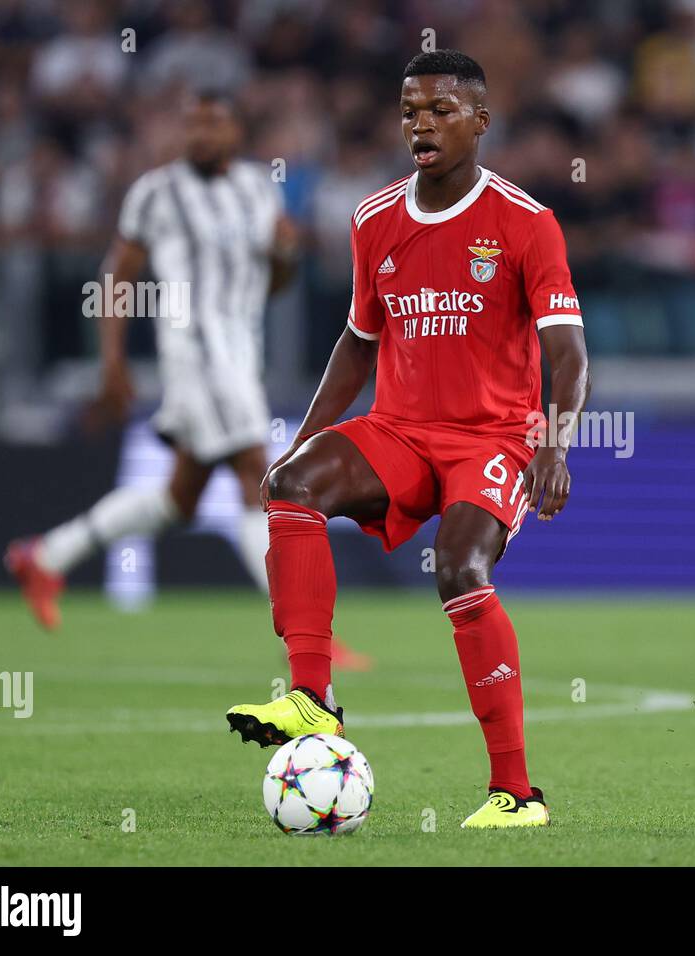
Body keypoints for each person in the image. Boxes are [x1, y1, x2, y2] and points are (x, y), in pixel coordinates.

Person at [225, 50, 590, 830]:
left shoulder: (527, 224)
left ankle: (516, 794)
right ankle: (313, 699)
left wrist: (554, 445)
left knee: (459, 569)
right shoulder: (374, 219)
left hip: (491, 439)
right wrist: (305, 440)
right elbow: (358, 345)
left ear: (481, 122)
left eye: (441, 110)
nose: (421, 124)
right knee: (293, 489)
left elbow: (568, 352)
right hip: (400, 431)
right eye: (410, 111)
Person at [6, 90, 368, 670]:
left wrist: (284, 255)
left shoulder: (256, 188)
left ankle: (45, 555)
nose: (201, 136)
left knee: (182, 499)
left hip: (239, 352)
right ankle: (304, 637)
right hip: (195, 354)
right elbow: (116, 276)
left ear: (235, 132)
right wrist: (113, 362)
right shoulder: (156, 192)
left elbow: (273, 283)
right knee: (261, 477)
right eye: (192, 126)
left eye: (213, 125)